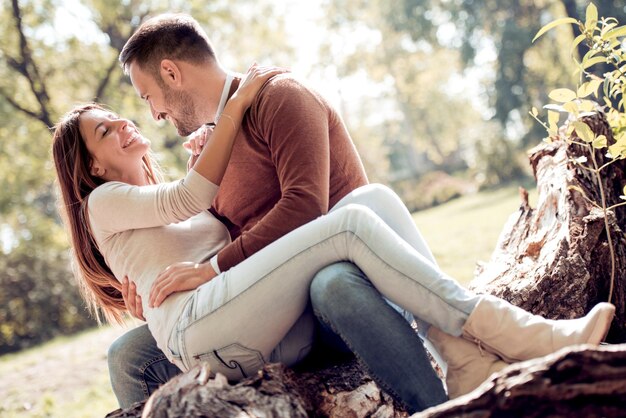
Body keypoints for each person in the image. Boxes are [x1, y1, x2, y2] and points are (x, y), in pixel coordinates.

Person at [53, 69, 616, 418]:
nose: (132, 121)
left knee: (369, 202)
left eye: (126, 112)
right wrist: (238, 106)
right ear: (94, 167)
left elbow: (203, 213)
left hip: (253, 324)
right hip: (202, 329)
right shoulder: (105, 201)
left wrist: (211, 169)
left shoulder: (162, 186)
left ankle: (461, 358)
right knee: (346, 227)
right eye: (106, 132)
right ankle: (511, 331)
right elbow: (190, 201)